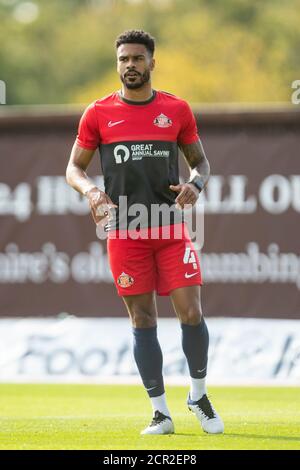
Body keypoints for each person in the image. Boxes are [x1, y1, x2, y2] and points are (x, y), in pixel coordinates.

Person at [66, 29, 224, 435]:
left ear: (153, 62)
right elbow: (74, 168)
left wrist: (196, 185)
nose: (130, 65)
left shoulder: (177, 109)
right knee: (142, 319)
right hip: (124, 231)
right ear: (117, 63)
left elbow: (201, 164)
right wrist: (91, 191)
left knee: (191, 311)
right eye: (124, 59)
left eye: (138, 58)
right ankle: (160, 412)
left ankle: (199, 395)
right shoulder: (98, 113)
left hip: (171, 229)